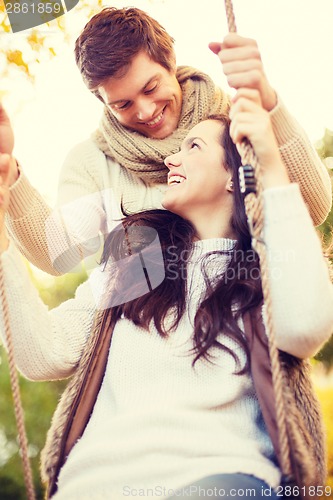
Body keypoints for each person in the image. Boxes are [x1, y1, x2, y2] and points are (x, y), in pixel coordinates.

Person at [0, 88, 332, 499]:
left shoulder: (264, 270)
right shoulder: (135, 258)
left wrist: (269, 156)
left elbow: (307, 327)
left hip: (221, 478)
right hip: (91, 486)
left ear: (235, 174)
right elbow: (43, 353)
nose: (171, 158)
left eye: (193, 146)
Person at [0, 7, 331, 275]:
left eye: (150, 88)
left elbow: (313, 208)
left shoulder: (238, 121)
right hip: (146, 336)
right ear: (103, 102)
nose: (145, 112)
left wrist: (269, 101)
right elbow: (60, 254)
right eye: (123, 104)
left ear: (169, 61)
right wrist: (9, 172)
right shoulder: (92, 161)